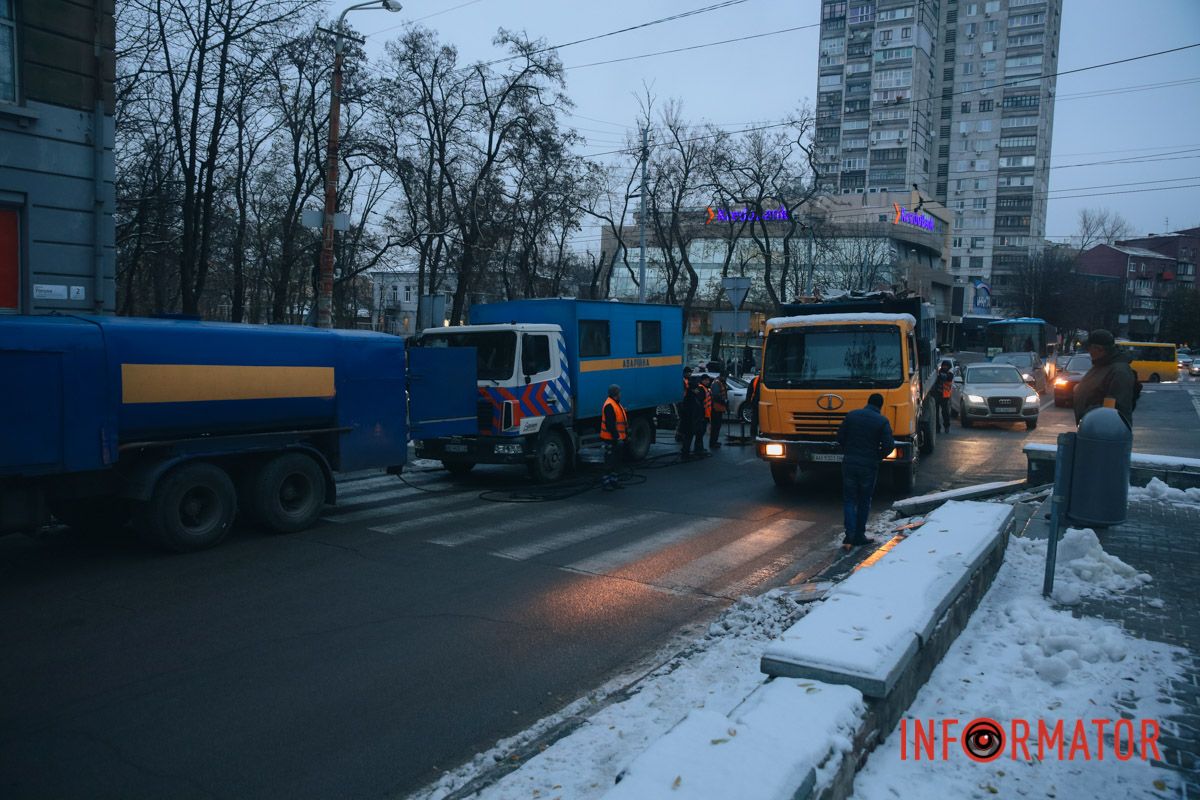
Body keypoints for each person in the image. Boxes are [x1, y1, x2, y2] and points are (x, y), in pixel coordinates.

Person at [835, 393, 895, 549]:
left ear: (867, 402)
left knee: (849, 500)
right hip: (868, 466)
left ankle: (850, 534)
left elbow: (840, 437)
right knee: (864, 500)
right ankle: (860, 535)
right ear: (880, 406)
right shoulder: (882, 421)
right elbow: (889, 445)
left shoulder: (852, 415)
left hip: (849, 463)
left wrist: (848, 451)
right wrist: (877, 456)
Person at [1073, 329, 1137, 428]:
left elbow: (1114, 407)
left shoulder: (1119, 371)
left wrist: (1088, 411)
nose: (1088, 351)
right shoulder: (1101, 364)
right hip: (1093, 428)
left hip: (1105, 432)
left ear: (1100, 349)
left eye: (1089, 348)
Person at [600, 384, 628, 490]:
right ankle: (606, 482)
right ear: (616, 394)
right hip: (610, 439)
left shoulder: (615, 404)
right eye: (619, 393)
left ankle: (614, 481)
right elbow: (610, 424)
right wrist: (617, 437)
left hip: (616, 438)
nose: (621, 394)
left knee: (616, 461)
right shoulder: (609, 405)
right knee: (609, 461)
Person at [680, 376, 708, 459]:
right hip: (692, 421)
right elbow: (694, 409)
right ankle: (687, 454)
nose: (697, 390)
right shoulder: (692, 396)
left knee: (691, 436)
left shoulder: (690, 394)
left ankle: (691, 451)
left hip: (691, 420)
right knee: (690, 436)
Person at [708, 372, 729, 449]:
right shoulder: (717, 383)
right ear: (722, 376)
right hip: (715, 408)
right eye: (725, 377)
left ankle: (714, 442)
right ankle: (713, 443)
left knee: (717, 426)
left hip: (719, 408)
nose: (726, 379)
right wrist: (724, 401)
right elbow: (716, 396)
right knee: (715, 427)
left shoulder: (720, 383)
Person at [934, 360, 954, 434]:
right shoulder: (939, 372)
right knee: (936, 413)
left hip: (945, 396)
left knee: (945, 413)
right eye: (943, 366)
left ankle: (946, 427)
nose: (944, 367)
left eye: (946, 366)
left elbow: (946, 377)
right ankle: (937, 428)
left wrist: (938, 374)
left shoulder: (950, 374)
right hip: (937, 395)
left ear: (949, 367)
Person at [675, 367, 694, 443]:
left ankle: (681, 435)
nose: (690, 374)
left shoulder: (687, 380)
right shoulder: (682, 380)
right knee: (682, 419)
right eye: (688, 372)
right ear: (685, 373)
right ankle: (679, 435)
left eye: (690, 372)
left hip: (685, 402)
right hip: (681, 402)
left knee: (684, 420)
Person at [748, 373, 762, 439]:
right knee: (758, 419)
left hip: (755, 402)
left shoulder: (755, 380)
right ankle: (759, 433)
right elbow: (750, 391)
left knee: (754, 419)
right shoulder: (761, 380)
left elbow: (749, 392)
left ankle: (753, 435)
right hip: (759, 402)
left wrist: (748, 402)